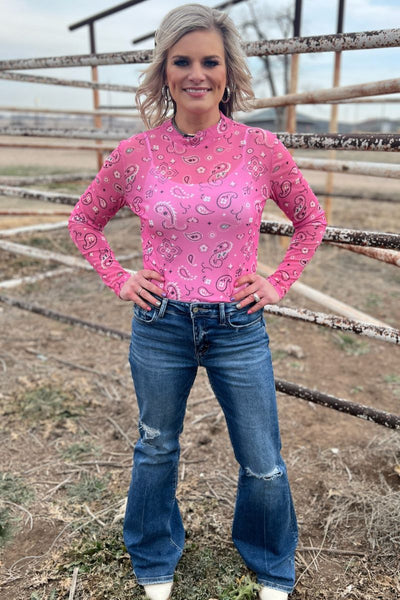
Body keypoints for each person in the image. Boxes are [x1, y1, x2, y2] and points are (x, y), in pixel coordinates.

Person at [68, 4, 327, 599]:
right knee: (156, 445)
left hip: (238, 324)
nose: (196, 74)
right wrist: (120, 278)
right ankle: (154, 557)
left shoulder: (261, 149)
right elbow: (84, 221)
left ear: (228, 72)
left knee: (262, 458)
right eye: (181, 61)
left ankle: (269, 563)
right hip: (161, 324)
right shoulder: (135, 154)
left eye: (210, 61)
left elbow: (311, 220)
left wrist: (277, 281)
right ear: (163, 71)